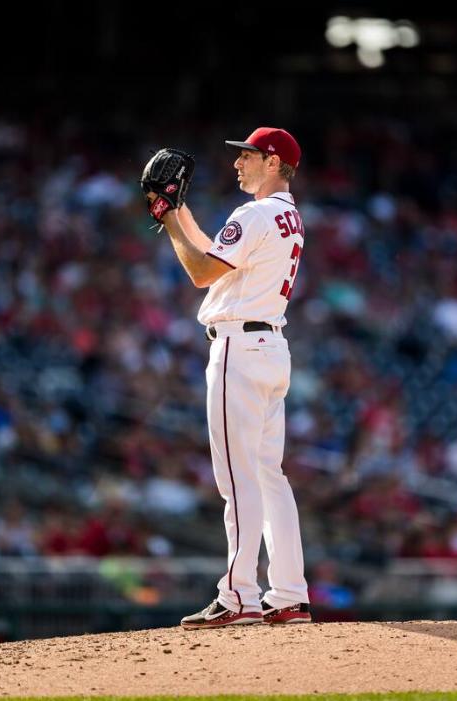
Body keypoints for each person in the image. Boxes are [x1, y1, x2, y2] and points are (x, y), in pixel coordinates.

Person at [147, 127, 311, 628]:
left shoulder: (255, 213)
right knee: (268, 476)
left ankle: (239, 595)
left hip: (239, 349)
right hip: (270, 348)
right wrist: (178, 214)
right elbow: (215, 261)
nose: (237, 164)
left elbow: (200, 272)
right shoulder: (287, 216)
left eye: (247, 156)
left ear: (273, 161)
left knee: (237, 478)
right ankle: (289, 593)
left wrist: (167, 216)